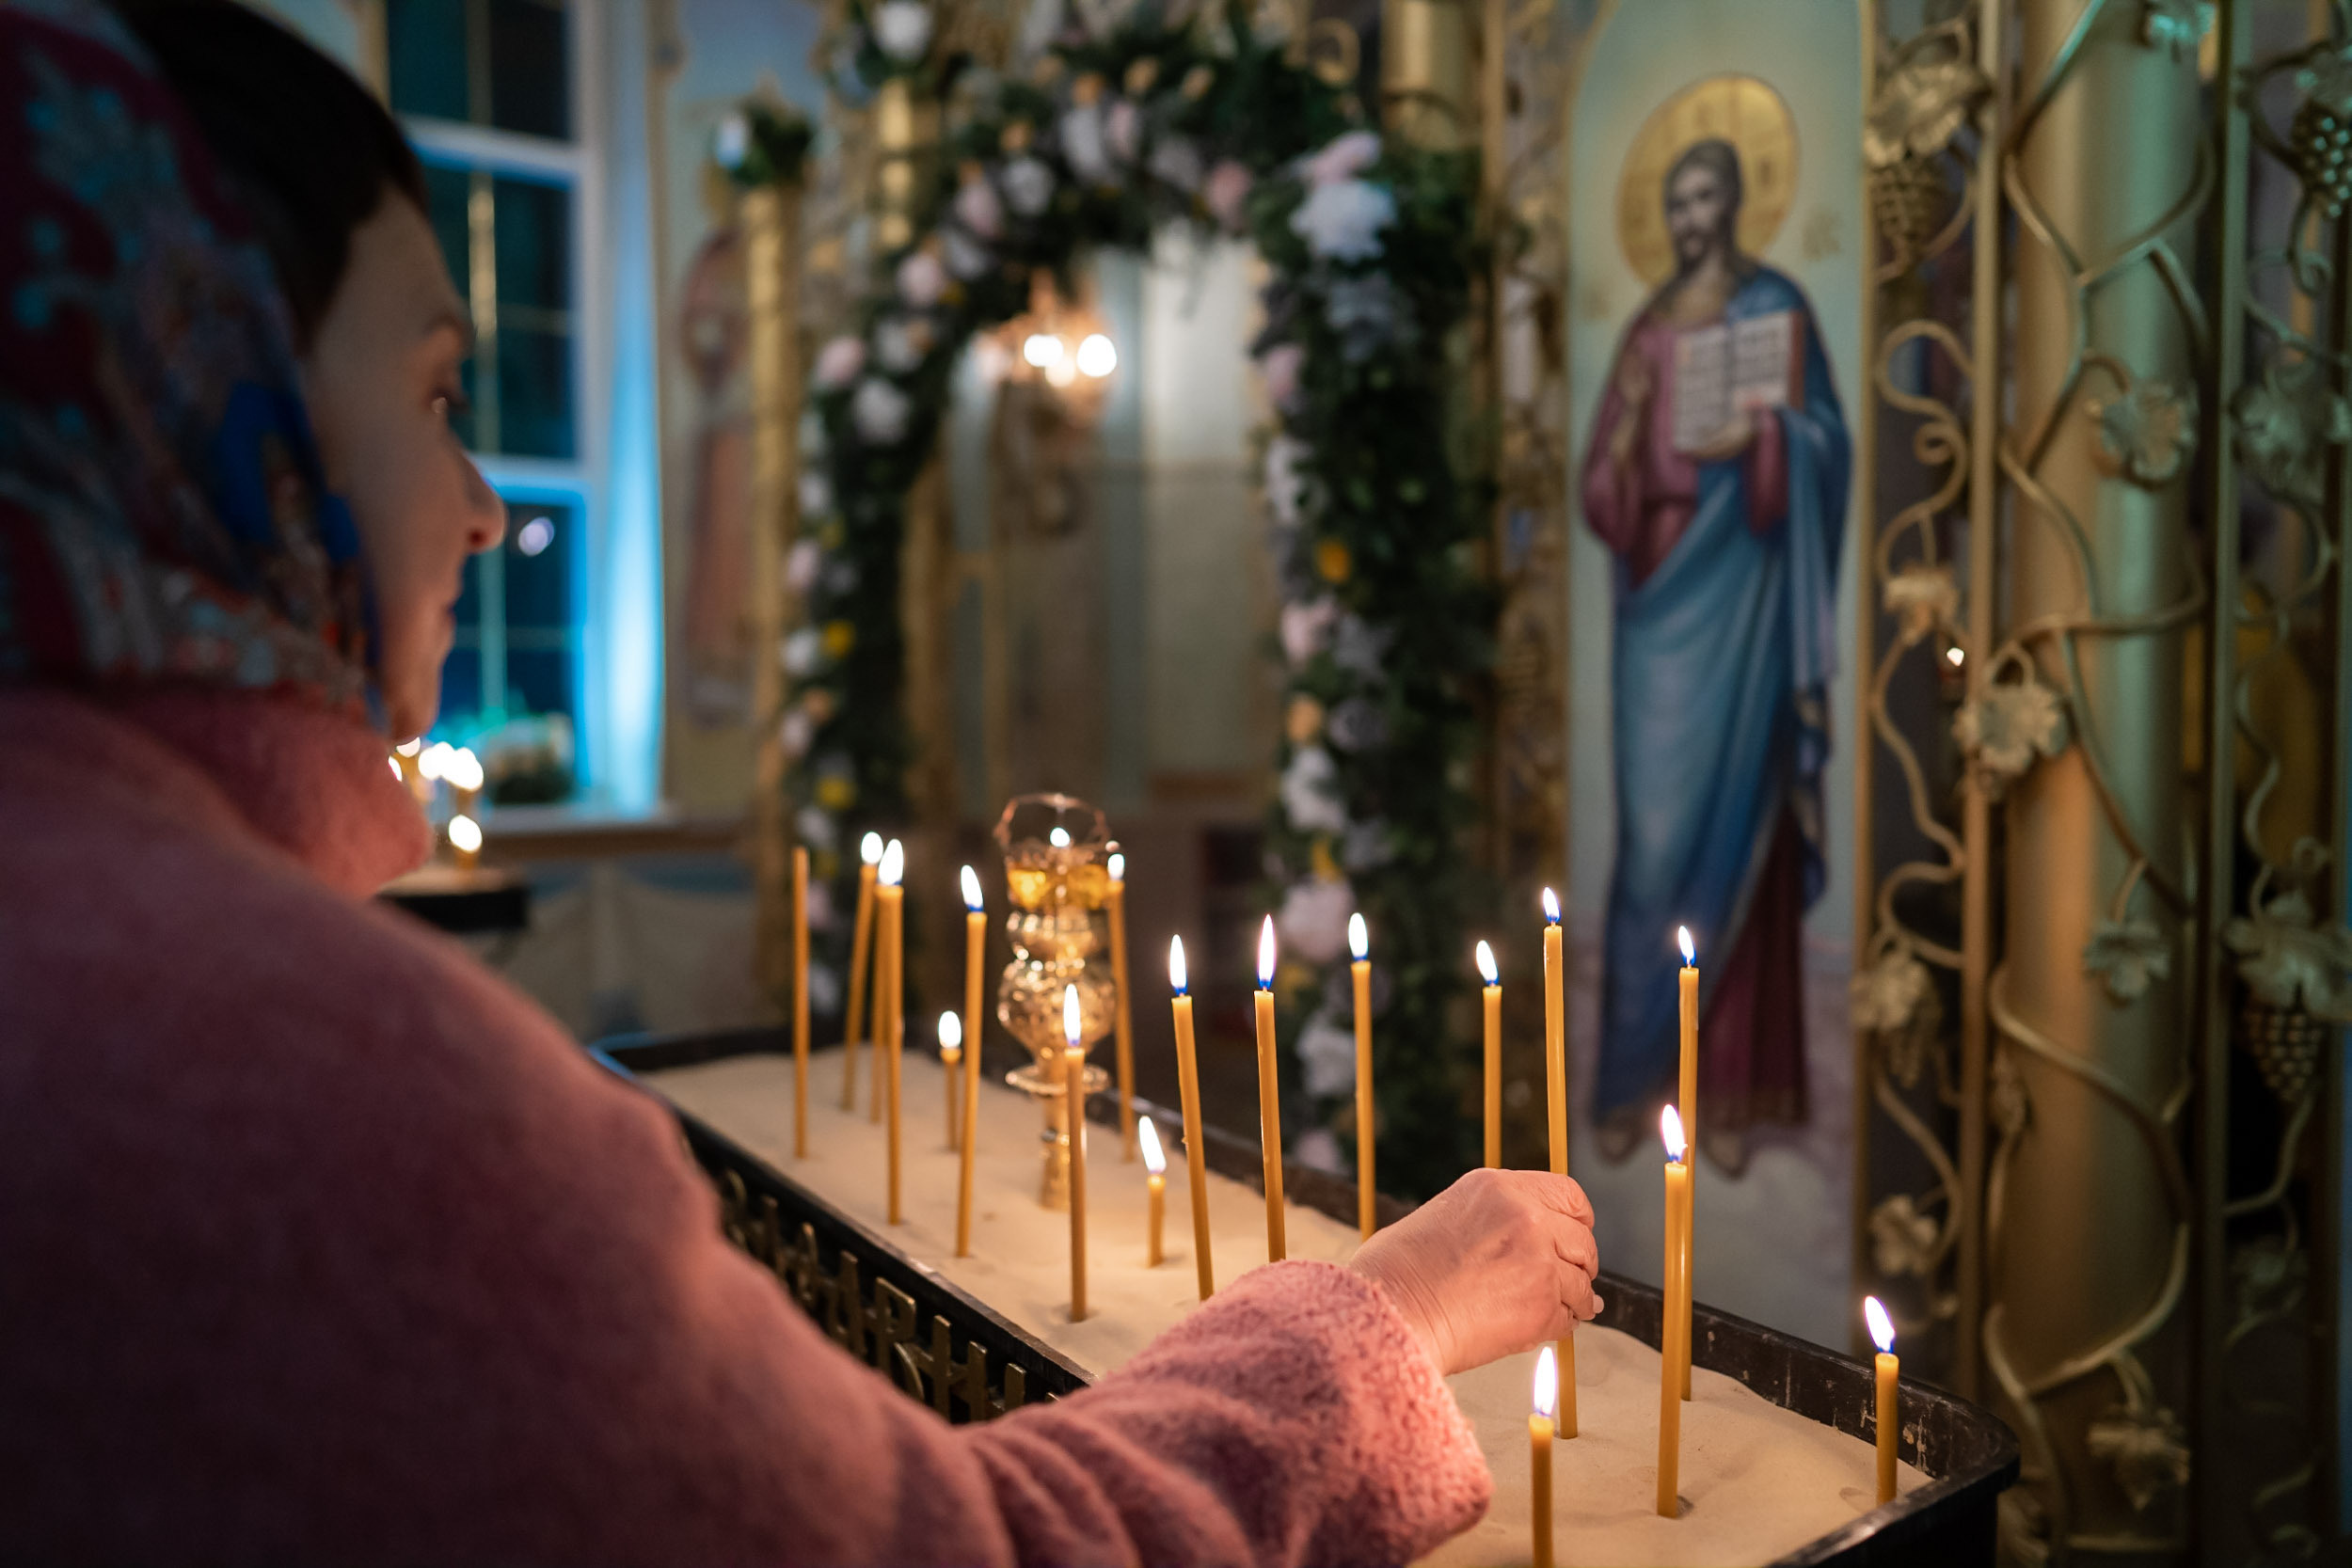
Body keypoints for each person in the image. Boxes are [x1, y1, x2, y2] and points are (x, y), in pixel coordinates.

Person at [0, 5, 1604, 1563]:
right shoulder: (320, 1088)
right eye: (429, 396)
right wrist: (1391, 1312)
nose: (486, 508)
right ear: (202, 411)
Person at [1579, 137, 1850, 1170]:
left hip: (1751, 591)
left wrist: (1773, 437)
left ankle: (1732, 1090)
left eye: (1706, 198)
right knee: (1653, 848)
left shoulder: (1776, 307)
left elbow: (1829, 439)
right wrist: (1626, 434)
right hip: (1660, 608)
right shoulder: (1647, 332)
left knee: (1748, 827)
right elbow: (1602, 498)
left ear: (1736, 201)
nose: (1691, 218)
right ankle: (1626, 1080)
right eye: (1675, 201)